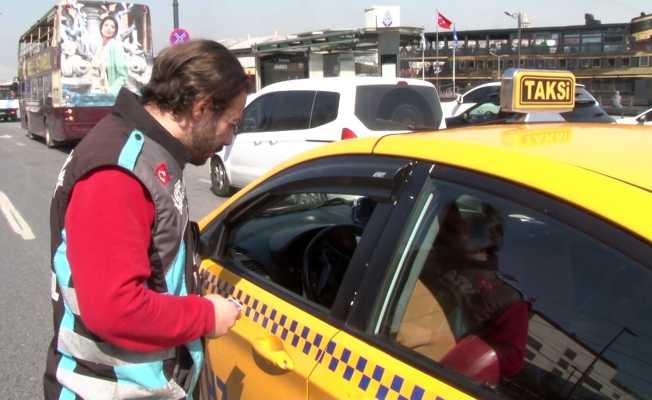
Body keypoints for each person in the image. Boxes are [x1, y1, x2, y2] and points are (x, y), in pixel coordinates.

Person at [45, 40, 249, 399]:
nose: (230, 137)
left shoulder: (151, 154)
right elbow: (115, 309)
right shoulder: (119, 170)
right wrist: (206, 317)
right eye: (231, 123)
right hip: (106, 389)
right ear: (201, 109)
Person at [418, 198, 530, 381]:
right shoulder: (424, 259)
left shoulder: (507, 297)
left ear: (482, 238)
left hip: (434, 373)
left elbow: (511, 360)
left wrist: (441, 343)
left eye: (451, 230)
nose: (441, 236)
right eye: (442, 226)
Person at [93, 15, 129, 95]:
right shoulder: (99, 47)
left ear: (115, 31)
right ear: (101, 28)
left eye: (112, 27)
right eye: (106, 25)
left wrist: (111, 92)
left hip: (110, 94)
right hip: (98, 92)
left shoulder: (116, 46)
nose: (109, 28)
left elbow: (123, 75)